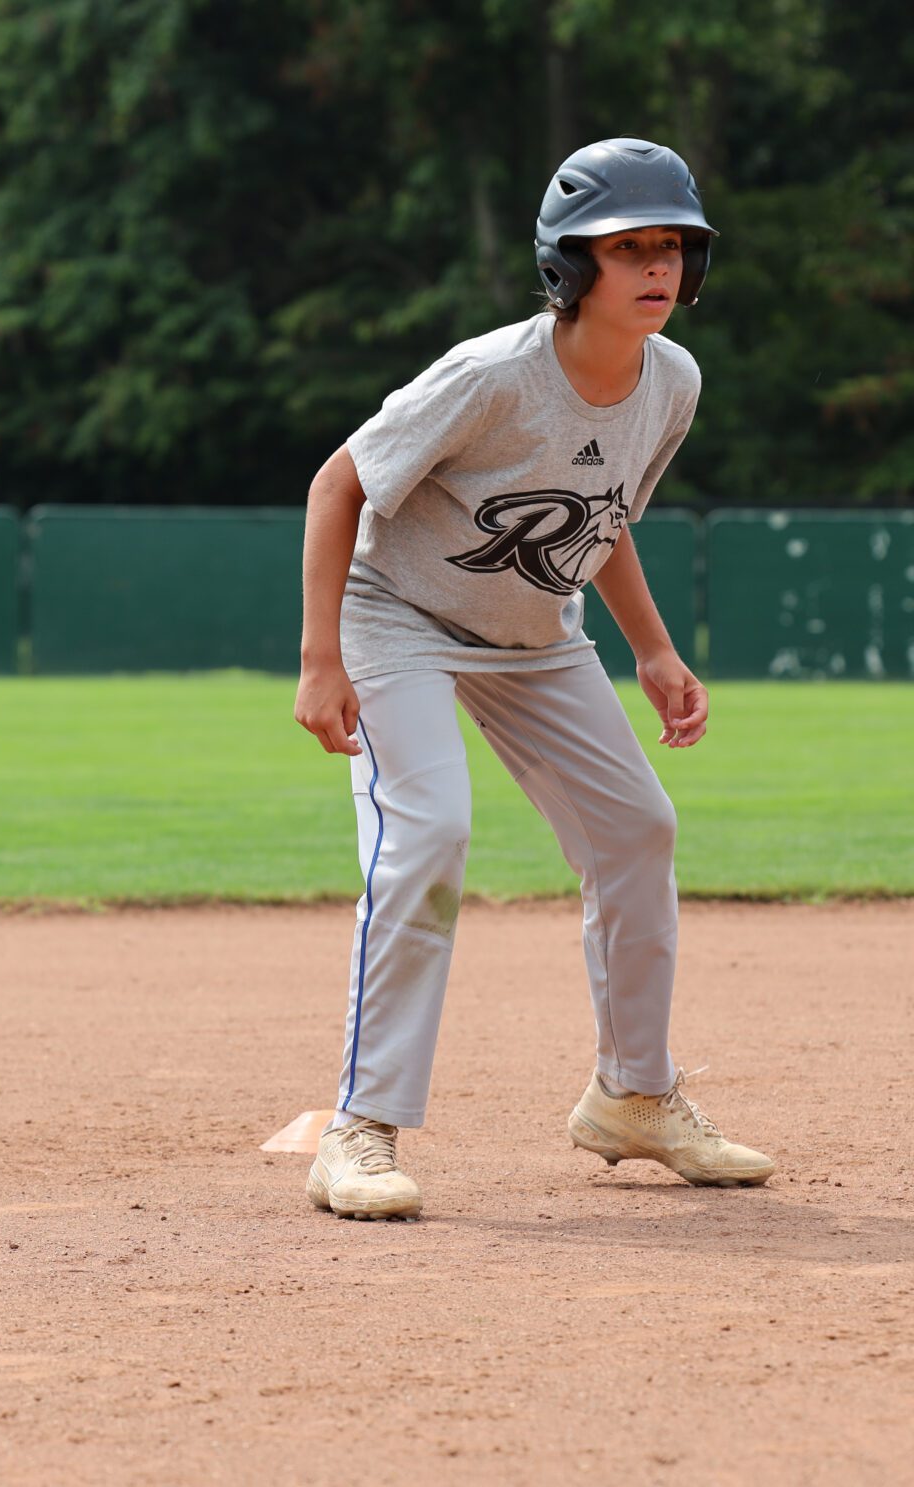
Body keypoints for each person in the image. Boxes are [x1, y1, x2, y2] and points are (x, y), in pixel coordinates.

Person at [292, 138, 773, 1220]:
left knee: (637, 827)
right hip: (399, 617)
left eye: (673, 247)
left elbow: (603, 524)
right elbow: (337, 486)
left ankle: (635, 1094)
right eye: (628, 247)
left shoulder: (672, 382)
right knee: (431, 832)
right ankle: (358, 1131)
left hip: (534, 635)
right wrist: (322, 658)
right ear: (570, 266)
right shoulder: (492, 376)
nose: (656, 267)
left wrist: (651, 647)